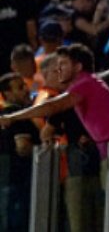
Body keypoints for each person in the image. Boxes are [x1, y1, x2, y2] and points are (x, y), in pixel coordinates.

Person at [0, 73, 36, 231]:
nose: (27, 90)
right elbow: (23, 147)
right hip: (18, 184)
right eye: (20, 87)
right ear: (7, 93)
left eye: (25, 85)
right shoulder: (16, 114)